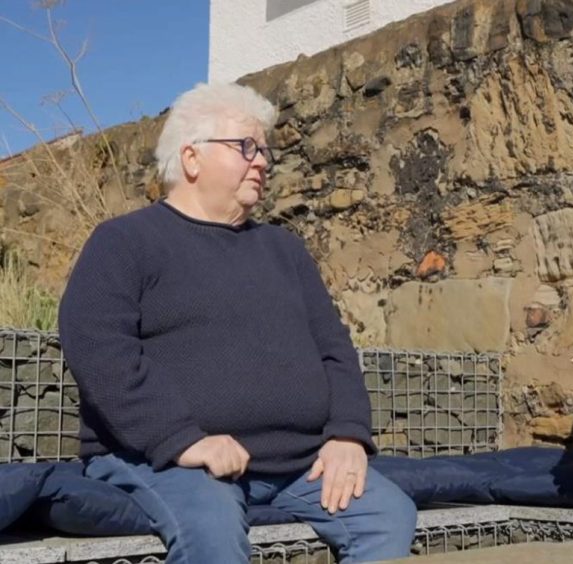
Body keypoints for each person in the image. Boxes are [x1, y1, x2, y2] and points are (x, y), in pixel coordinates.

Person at [58, 82, 417, 563]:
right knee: (212, 530)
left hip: (296, 463)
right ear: (191, 158)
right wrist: (180, 439)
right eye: (245, 147)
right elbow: (97, 347)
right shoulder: (125, 242)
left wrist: (348, 434)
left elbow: (334, 347)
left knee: (388, 515)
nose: (263, 161)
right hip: (166, 460)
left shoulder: (284, 250)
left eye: (265, 149)